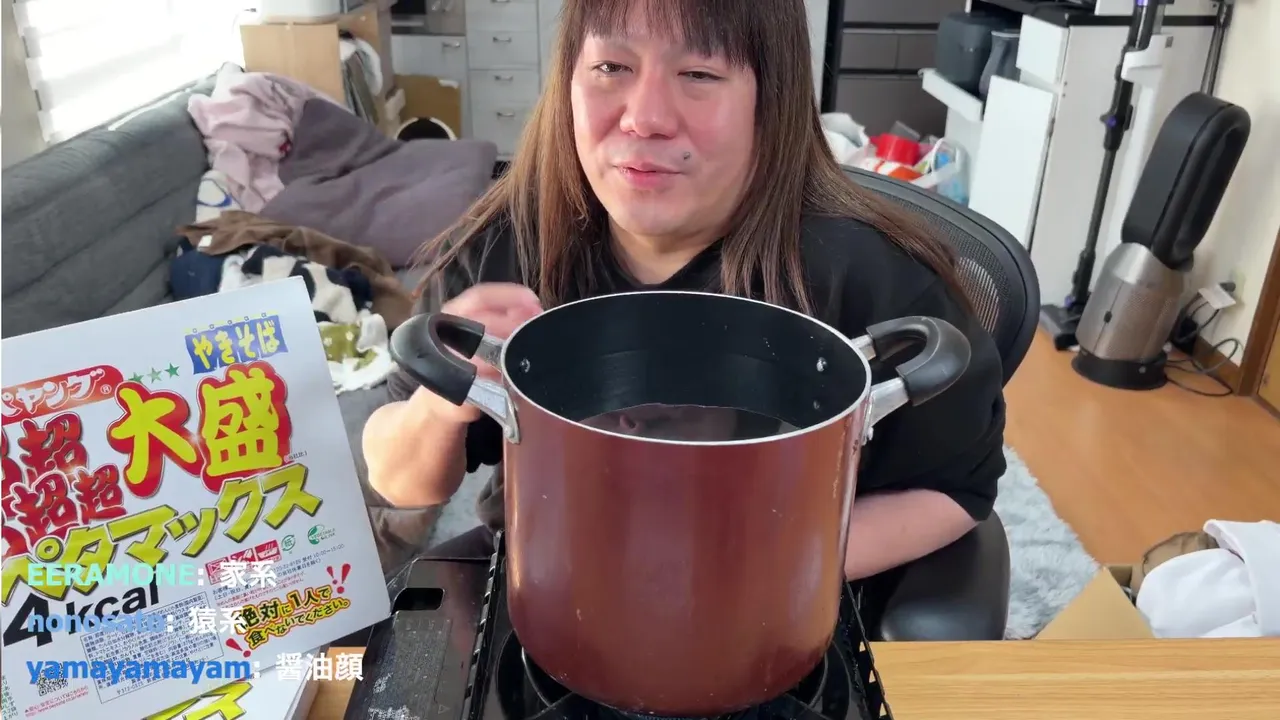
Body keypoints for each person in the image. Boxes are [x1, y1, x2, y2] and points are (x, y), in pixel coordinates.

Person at [362, 0, 1006, 631]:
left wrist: (753, 573)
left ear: (771, 98)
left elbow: (958, 490)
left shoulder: (869, 276)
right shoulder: (505, 243)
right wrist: (443, 401)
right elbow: (398, 480)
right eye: (611, 67)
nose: (645, 118)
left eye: (699, 74)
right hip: (546, 583)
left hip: (776, 615)